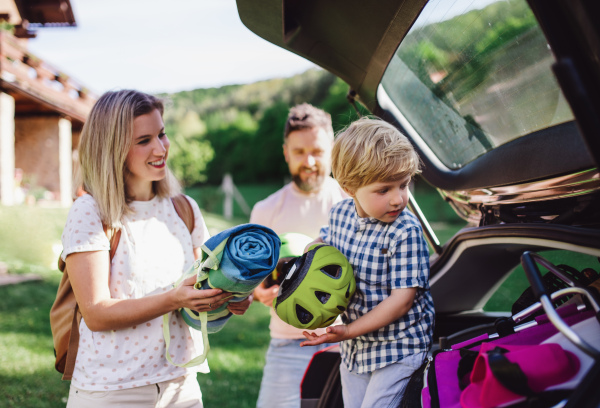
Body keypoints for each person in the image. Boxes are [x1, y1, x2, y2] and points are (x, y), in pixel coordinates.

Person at [61, 89, 251, 407]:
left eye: (161, 134)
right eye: (144, 140)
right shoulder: (91, 211)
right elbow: (96, 313)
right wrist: (173, 298)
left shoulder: (184, 208)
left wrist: (225, 299)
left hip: (181, 384)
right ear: (113, 149)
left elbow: (198, 288)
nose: (161, 147)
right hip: (113, 389)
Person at [300, 117, 435, 408]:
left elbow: (402, 301)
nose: (399, 199)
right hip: (356, 348)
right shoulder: (340, 215)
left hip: (399, 346)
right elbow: (322, 245)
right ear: (349, 188)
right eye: (384, 190)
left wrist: (348, 330)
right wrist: (303, 265)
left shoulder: (405, 231)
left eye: (404, 185)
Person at [251, 103, 348, 408]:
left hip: (347, 341)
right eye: (299, 152)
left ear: (331, 150)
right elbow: (251, 283)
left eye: (317, 151)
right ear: (286, 153)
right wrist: (258, 291)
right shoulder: (265, 211)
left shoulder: (352, 202)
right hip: (288, 342)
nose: (309, 161)